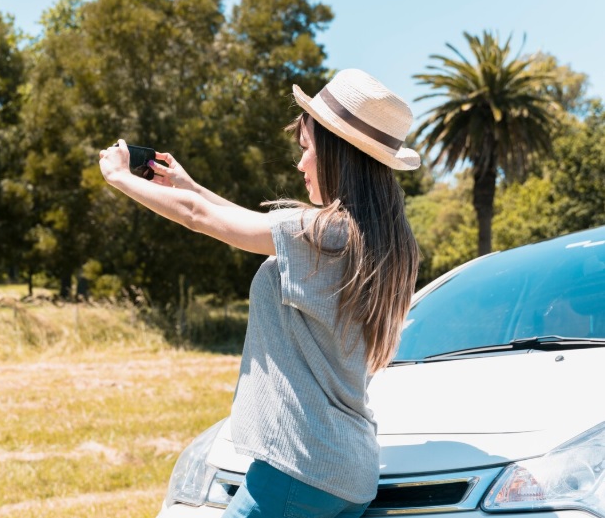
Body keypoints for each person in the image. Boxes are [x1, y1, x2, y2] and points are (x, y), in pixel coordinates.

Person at [98, 69, 420, 518]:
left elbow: (197, 217)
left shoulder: (323, 233)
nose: (300, 164)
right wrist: (190, 186)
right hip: (351, 475)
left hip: (299, 469)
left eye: (307, 150)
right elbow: (245, 221)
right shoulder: (374, 241)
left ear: (338, 155)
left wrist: (120, 178)